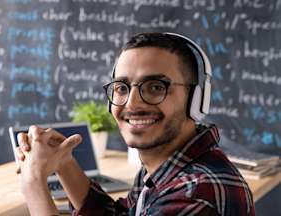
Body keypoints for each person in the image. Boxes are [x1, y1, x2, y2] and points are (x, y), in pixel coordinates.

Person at [16, 32, 255, 216]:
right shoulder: (165, 167)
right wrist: (65, 163)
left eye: (155, 87)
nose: (132, 103)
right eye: (121, 88)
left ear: (197, 100)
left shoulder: (197, 195)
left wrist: (34, 185)